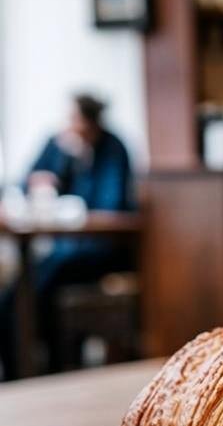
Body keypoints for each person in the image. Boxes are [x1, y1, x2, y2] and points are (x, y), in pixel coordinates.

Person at [0, 93, 135, 380]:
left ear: (90, 122)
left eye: (75, 119)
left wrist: (82, 160)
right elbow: (27, 181)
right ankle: (22, 368)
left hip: (101, 250)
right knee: (20, 289)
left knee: (38, 285)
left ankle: (41, 368)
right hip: (65, 246)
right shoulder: (58, 144)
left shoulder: (112, 147)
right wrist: (57, 166)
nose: (69, 125)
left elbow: (111, 206)